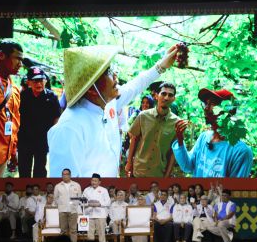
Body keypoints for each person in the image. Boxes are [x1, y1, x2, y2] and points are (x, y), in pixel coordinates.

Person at [48, 44, 183, 177]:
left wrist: (161, 66)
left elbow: (135, 85)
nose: (115, 75)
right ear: (91, 88)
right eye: (108, 71)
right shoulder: (69, 128)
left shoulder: (108, 103)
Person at [173, 88, 253, 177]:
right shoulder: (204, 137)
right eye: (206, 103)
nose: (206, 108)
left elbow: (235, 189)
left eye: (212, 103)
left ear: (229, 110)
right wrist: (180, 140)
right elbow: (187, 166)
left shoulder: (241, 151)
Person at [126, 82, 181, 177]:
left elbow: (173, 153)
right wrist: (129, 163)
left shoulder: (177, 123)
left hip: (159, 174)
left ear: (173, 99)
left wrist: (167, 175)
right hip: (139, 171)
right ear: (156, 96)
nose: (166, 97)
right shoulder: (143, 116)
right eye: (163, 94)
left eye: (170, 95)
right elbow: (134, 140)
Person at [18, 66, 61, 178]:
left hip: (42, 140)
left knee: (40, 170)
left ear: (45, 81)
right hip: (24, 140)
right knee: (24, 169)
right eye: (35, 81)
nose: (39, 84)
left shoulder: (52, 97)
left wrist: (53, 139)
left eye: (41, 80)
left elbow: (56, 119)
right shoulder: (22, 96)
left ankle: (38, 193)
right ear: (29, 82)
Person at [0, 40, 23, 178]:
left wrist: (13, 151)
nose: (20, 64)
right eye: (17, 58)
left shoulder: (15, 90)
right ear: (0, 55)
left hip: (3, 156)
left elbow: (15, 123)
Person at [53, 168, 82, 242]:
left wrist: (74, 205)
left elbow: (79, 197)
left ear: (70, 175)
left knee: (73, 231)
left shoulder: (76, 185)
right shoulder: (58, 186)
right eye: (63, 174)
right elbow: (55, 199)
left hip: (73, 211)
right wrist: (61, 205)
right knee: (63, 231)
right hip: (62, 211)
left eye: (66, 174)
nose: (65, 176)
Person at [82, 173, 111, 242]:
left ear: (99, 182)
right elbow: (81, 202)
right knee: (90, 235)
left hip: (100, 215)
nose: (93, 182)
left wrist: (99, 204)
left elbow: (108, 202)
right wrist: (88, 204)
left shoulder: (103, 190)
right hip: (89, 214)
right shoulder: (86, 190)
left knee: (101, 235)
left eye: (95, 181)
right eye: (92, 180)